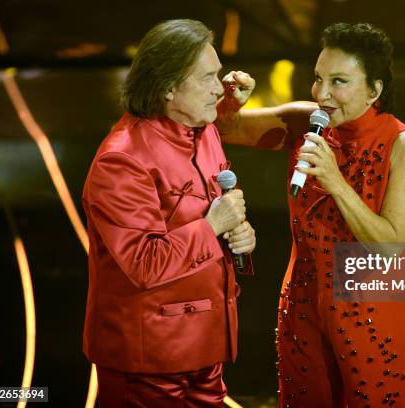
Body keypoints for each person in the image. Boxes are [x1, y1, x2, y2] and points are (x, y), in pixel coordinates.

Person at [218, 22, 405, 407]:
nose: (322, 93)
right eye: (318, 78)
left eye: (339, 81)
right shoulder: (307, 123)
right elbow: (224, 130)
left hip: (375, 314)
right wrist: (232, 101)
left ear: (375, 89)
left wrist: (335, 181)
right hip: (304, 304)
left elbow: (390, 247)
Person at [82, 19, 256, 407]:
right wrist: (213, 227)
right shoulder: (121, 160)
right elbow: (144, 262)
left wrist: (239, 234)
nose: (220, 88)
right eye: (208, 78)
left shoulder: (202, 129)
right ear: (167, 87)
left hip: (205, 346)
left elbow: (216, 212)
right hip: (148, 357)